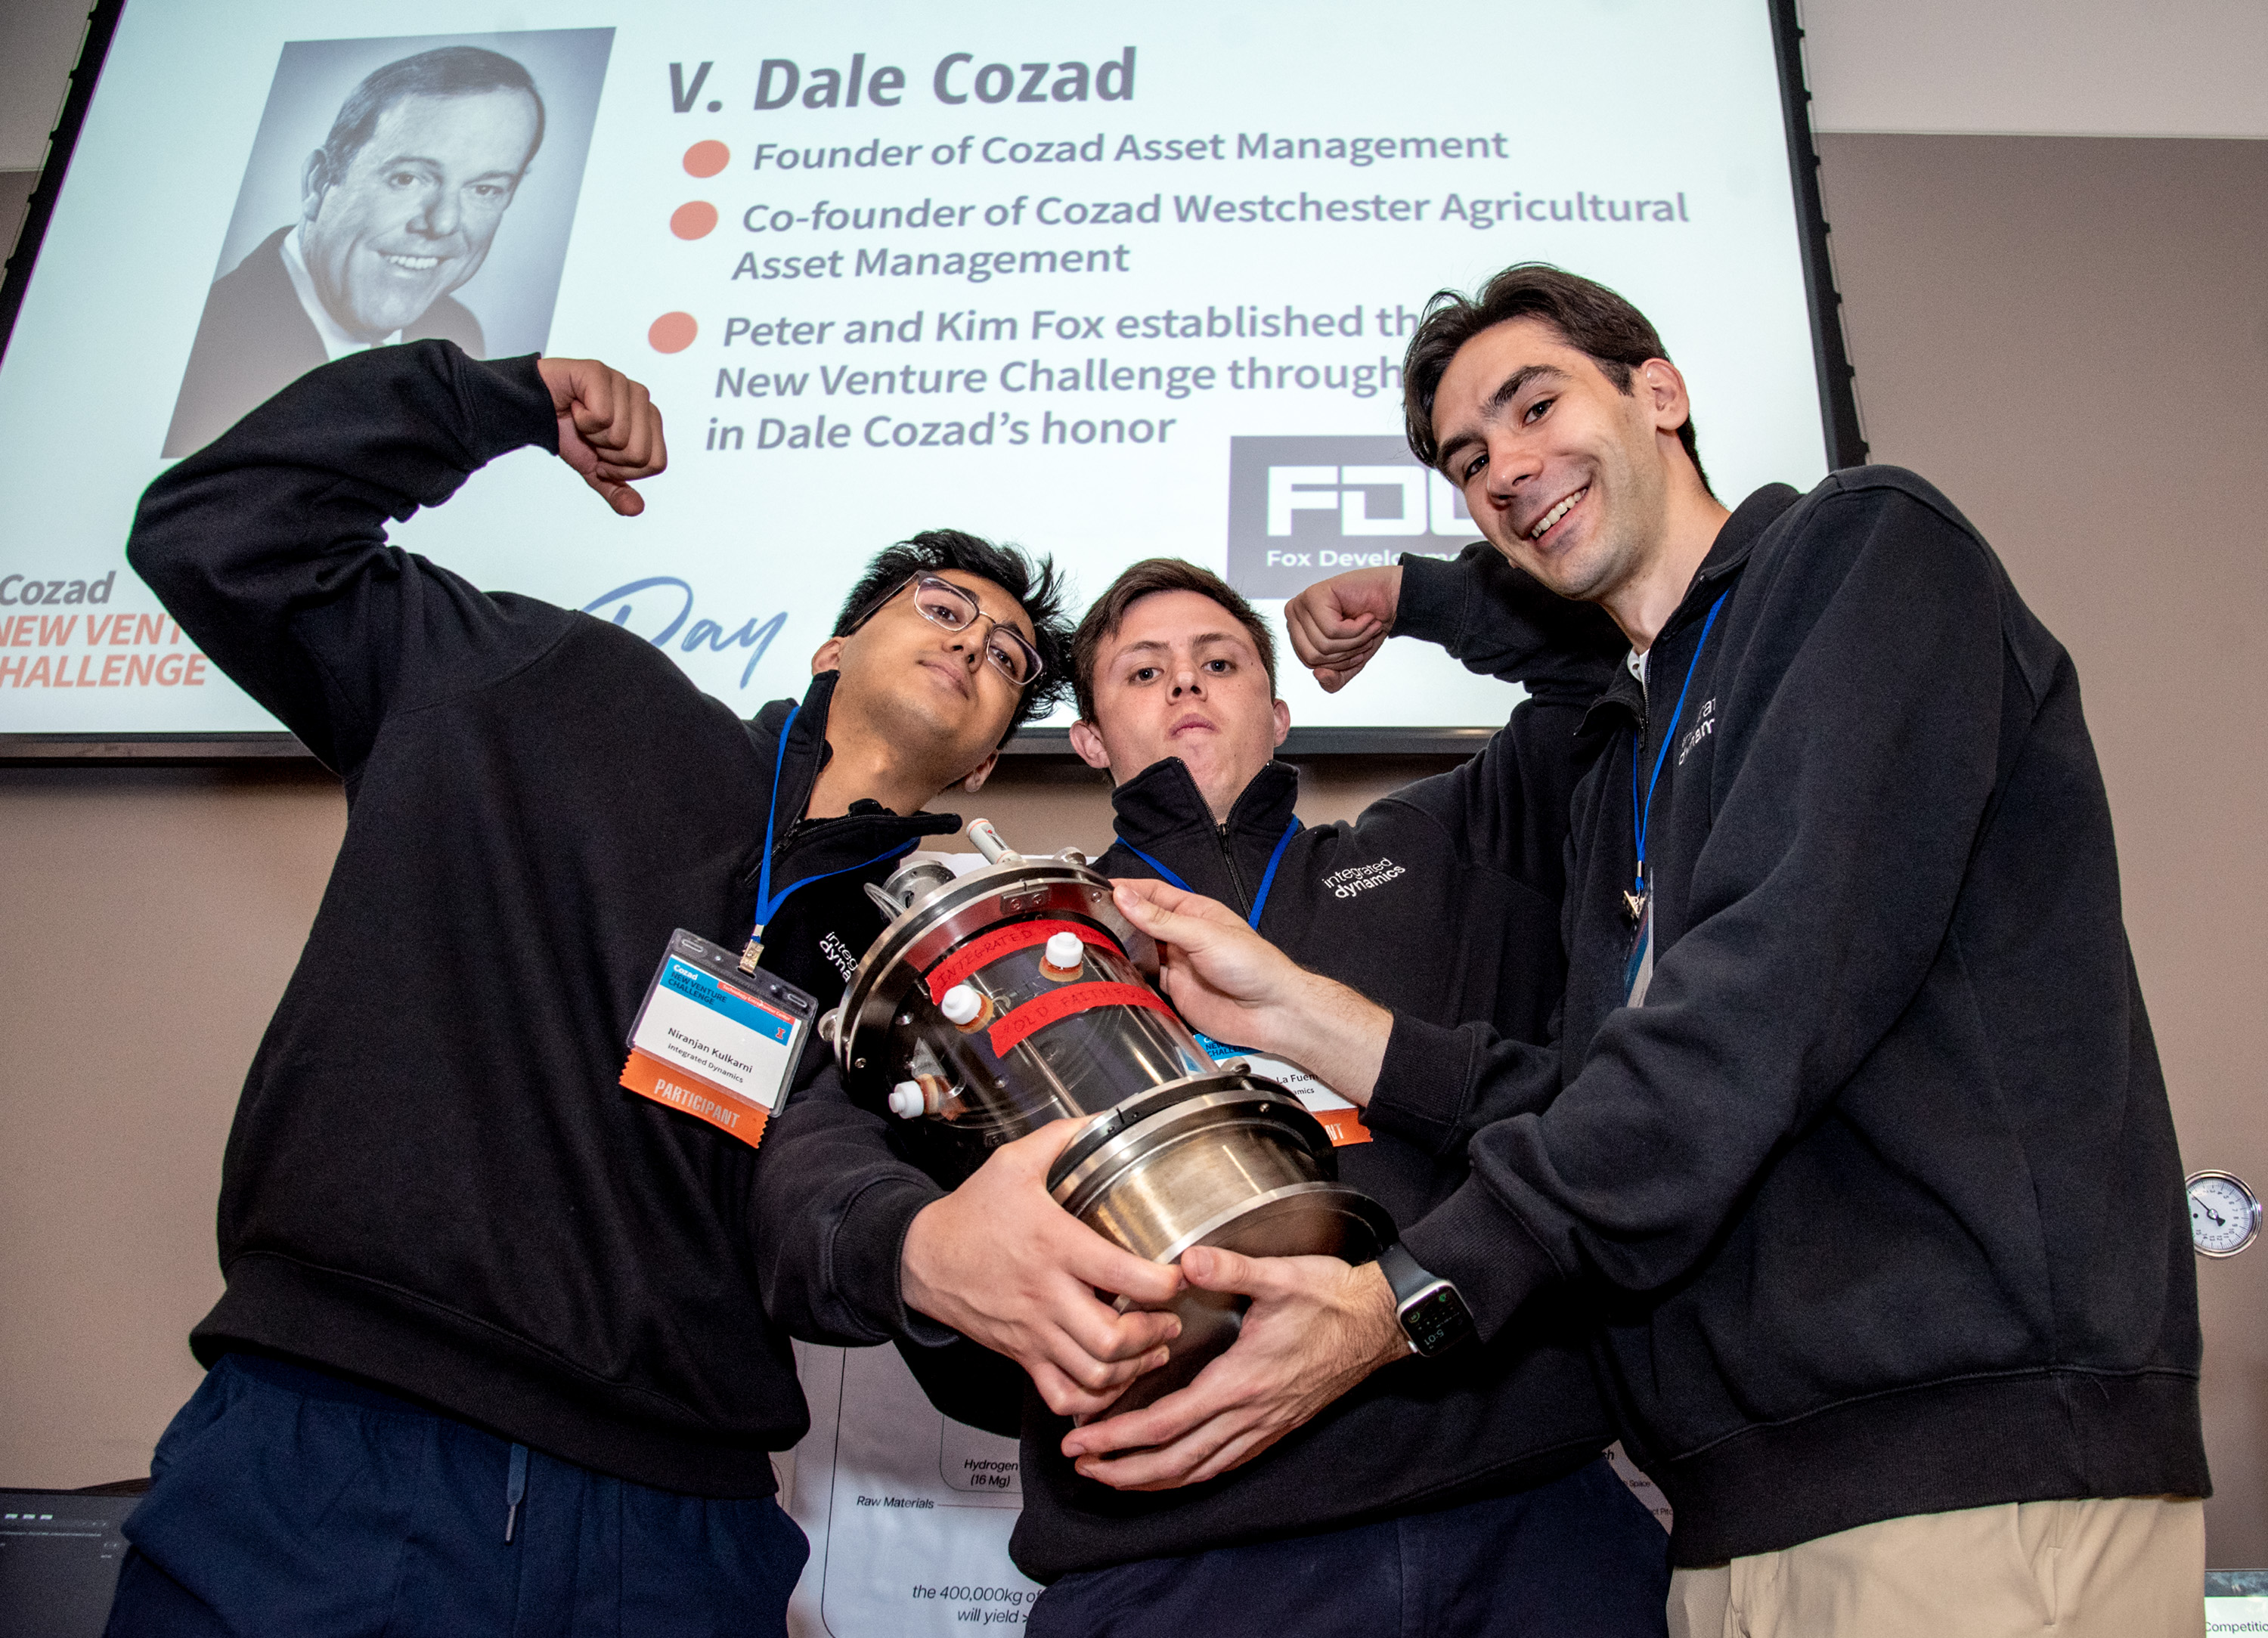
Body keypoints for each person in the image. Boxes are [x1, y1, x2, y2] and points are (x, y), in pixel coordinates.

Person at [1081, 265, 2208, 1638]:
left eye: (1536, 403)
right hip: (1732, 1512)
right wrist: (1315, 1016)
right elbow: (1594, 1099)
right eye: (1469, 458)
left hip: (1969, 1479)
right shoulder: (1623, 760)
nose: (1507, 469)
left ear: (1660, 391)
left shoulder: (1866, 561)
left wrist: (1404, 1297)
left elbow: (1744, 1024)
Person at [107, 336, 1170, 1636]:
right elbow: (223, 531)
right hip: (341, 1439)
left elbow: (953, 1317)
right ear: (835, 649)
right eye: (944, 608)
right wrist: (492, 399)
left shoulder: (952, 971)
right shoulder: (556, 689)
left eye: (1008, 655)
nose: (973, 642)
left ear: (993, 762)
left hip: (677, 1530)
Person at [750, 558, 1670, 1635]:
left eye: (1219, 661)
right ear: (1088, 738)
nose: (1186, 684)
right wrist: (957, 1273)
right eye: (1144, 671)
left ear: (1280, 715)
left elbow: (1616, 669)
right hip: (1174, 1565)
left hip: (1523, 1517)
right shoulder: (1005, 939)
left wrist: (1421, 598)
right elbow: (864, 1195)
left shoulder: (1446, 846)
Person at [163, 46, 543, 457]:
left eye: (485, 189)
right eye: (407, 178)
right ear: (319, 184)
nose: (443, 224)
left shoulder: (457, 332)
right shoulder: (199, 349)